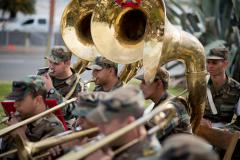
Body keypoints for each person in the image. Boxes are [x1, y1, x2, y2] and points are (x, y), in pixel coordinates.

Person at [82, 86, 161, 160]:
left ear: (129, 123)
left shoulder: (150, 155)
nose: (99, 128)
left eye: (105, 122)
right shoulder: (119, 140)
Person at [0, 75, 65, 159]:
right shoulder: (18, 118)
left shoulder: (54, 128)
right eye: (15, 99)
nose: (15, 105)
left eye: (20, 100)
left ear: (38, 100)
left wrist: (21, 137)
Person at [199, 47, 240, 159]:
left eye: (215, 62)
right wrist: (199, 119)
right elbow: (186, 109)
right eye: (208, 62)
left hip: (222, 133)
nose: (210, 66)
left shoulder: (236, 89)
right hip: (199, 130)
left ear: (225, 63)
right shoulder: (199, 86)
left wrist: (230, 130)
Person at [135, 67, 192, 141]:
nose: (140, 86)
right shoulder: (161, 103)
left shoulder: (173, 106)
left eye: (144, 82)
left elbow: (149, 134)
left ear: (159, 84)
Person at [42, 45, 83, 122]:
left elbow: (72, 113)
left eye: (56, 64)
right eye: (50, 62)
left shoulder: (78, 85)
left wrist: (51, 91)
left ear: (67, 63)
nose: (51, 67)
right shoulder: (43, 74)